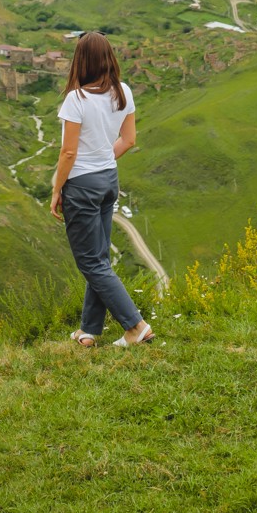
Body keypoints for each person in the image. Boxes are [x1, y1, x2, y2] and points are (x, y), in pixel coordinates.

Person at [50, 32, 153, 347]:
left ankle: (135, 327)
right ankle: (89, 331)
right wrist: (104, 158)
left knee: (91, 262)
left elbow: (68, 153)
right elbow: (129, 139)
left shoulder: (76, 99)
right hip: (109, 180)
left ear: (81, 61)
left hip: (82, 186)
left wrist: (57, 189)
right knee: (99, 259)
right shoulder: (123, 91)